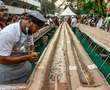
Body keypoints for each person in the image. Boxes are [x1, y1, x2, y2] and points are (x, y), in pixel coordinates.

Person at [0, 11, 46, 84]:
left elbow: (31, 45)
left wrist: (32, 52)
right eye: (36, 28)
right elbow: (2, 59)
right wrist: (27, 57)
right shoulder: (8, 33)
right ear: (29, 21)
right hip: (8, 73)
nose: (36, 31)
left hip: (22, 69)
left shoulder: (28, 31)